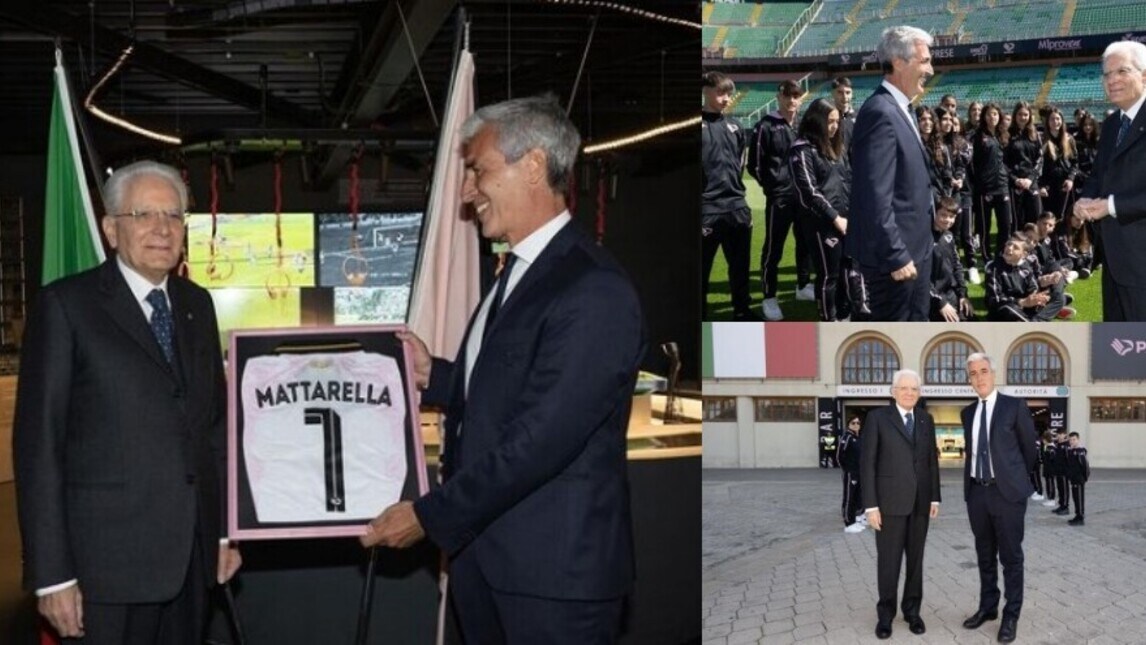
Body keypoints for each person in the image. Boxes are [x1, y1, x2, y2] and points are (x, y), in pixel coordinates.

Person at [358, 96, 647, 644]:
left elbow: (538, 441)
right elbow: (508, 389)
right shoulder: (516, 273)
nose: (467, 191)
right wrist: (436, 376)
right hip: (489, 566)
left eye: (478, 170)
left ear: (533, 165)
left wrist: (427, 516)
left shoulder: (593, 288)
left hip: (554, 582)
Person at [13, 161, 241, 643]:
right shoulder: (66, 306)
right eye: (144, 214)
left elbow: (214, 432)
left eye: (174, 216)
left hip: (192, 561)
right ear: (111, 229)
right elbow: (40, 449)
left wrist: (221, 533)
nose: (162, 228)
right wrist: (53, 575)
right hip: (105, 573)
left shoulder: (198, 305)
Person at [845, 25, 936, 321]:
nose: (931, 70)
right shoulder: (880, 113)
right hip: (896, 260)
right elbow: (874, 196)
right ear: (899, 62)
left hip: (917, 250)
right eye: (925, 61)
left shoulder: (902, 109)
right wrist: (895, 254)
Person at [961, 353, 1037, 644]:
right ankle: (988, 607)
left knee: (1011, 558)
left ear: (993, 374)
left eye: (983, 371)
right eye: (973, 373)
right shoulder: (967, 413)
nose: (979, 377)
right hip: (977, 493)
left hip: (1007, 495)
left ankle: (1011, 614)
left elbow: (1028, 451)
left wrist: (1014, 482)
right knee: (984, 555)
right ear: (969, 380)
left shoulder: (1013, 407)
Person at [860, 369, 940, 639]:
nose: (909, 393)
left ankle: (912, 612)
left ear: (919, 393)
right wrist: (870, 506)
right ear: (893, 391)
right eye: (904, 388)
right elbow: (867, 464)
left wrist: (934, 496)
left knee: (915, 562)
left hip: (920, 504)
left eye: (914, 389)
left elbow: (931, 461)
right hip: (889, 505)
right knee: (889, 563)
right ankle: (885, 616)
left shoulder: (926, 419)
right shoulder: (877, 419)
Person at [1074, 40, 1146, 320]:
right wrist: (1086, 199)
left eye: (1122, 71)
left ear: (1143, 75)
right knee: (1118, 347)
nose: (1112, 80)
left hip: (1141, 262)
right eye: (1106, 74)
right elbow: (1098, 175)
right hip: (1114, 259)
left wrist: (1111, 206)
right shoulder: (1113, 123)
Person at [751, 79, 812, 320]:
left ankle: (803, 286)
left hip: (803, 197)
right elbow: (754, 165)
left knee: (805, 242)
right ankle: (769, 297)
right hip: (780, 198)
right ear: (779, 97)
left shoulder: (803, 125)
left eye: (796, 96)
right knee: (773, 248)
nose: (792, 100)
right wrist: (772, 187)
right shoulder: (765, 126)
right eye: (787, 96)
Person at [701, 71, 759, 320]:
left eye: (729, 94)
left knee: (740, 268)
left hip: (736, 208)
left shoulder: (735, 127)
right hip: (708, 209)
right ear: (706, 90)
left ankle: (742, 312)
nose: (726, 99)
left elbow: (739, 165)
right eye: (720, 93)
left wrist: (743, 205)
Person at [789, 97, 852, 321]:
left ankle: (845, 314)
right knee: (829, 276)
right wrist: (835, 218)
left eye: (837, 121)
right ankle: (828, 319)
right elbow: (809, 192)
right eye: (830, 122)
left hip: (845, 220)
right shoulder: (802, 150)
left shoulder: (837, 148)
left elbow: (847, 181)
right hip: (821, 224)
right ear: (816, 121)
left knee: (847, 271)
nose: (834, 127)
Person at [985, 233, 1070, 321]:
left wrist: (1037, 297)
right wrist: (1022, 302)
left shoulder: (1026, 267)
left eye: (1015, 247)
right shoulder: (993, 267)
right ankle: (1036, 320)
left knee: (1060, 298)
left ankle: (1033, 321)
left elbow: (1033, 287)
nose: (1009, 248)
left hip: (1025, 308)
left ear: (1024, 255)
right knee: (1008, 309)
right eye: (1009, 244)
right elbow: (995, 299)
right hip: (1006, 309)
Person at [972, 102, 1014, 261]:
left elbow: (1006, 160)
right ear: (984, 116)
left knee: (1005, 225)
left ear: (1000, 116)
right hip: (985, 189)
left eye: (995, 114)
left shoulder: (1003, 135)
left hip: (1002, 186)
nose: (992, 117)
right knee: (984, 227)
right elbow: (973, 163)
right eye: (989, 114)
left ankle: (1001, 255)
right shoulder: (978, 136)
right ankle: (986, 257)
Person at [930, 196, 974, 321]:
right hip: (933, 298)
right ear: (935, 213)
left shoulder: (949, 236)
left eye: (952, 217)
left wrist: (963, 295)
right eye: (943, 215)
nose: (948, 220)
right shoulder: (924, 238)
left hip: (951, 293)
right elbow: (921, 276)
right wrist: (941, 303)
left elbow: (957, 267)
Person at [1004, 101, 1044, 228]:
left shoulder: (1035, 135)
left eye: (1026, 115)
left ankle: (1035, 247)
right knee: (1018, 221)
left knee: (1036, 218)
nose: (1023, 117)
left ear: (1030, 116)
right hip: (1015, 184)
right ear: (1015, 115)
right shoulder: (1007, 135)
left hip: (1031, 182)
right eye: (1020, 114)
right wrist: (1015, 180)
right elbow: (1003, 162)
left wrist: (1030, 179)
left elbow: (1039, 159)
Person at [837, 415, 864, 533]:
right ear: (848, 424)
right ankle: (848, 523)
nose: (856, 425)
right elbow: (839, 456)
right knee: (849, 498)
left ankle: (854, 520)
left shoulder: (857, 438)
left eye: (858, 423)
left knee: (857, 498)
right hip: (850, 473)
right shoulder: (846, 437)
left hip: (858, 473)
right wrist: (846, 470)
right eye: (853, 423)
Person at [1065, 431, 1091, 526]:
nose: (1072, 441)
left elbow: (1085, 466)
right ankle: (1077, 515)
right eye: (1070, 440)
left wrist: (1084, 477)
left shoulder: (1080, 451)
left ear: (1078, 440)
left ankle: (1080, 517)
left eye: (1074, 439)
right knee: (1075, 498)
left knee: (1079, 498)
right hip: (1073, 479)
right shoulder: (1071, 451)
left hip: (1079, 479)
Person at [832, 76, 857, 149]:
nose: (845, 96)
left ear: (852, 94)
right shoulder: (827, 117)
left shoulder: (860, 117)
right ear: (833, 93)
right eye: (840, 92)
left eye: (848, 92)